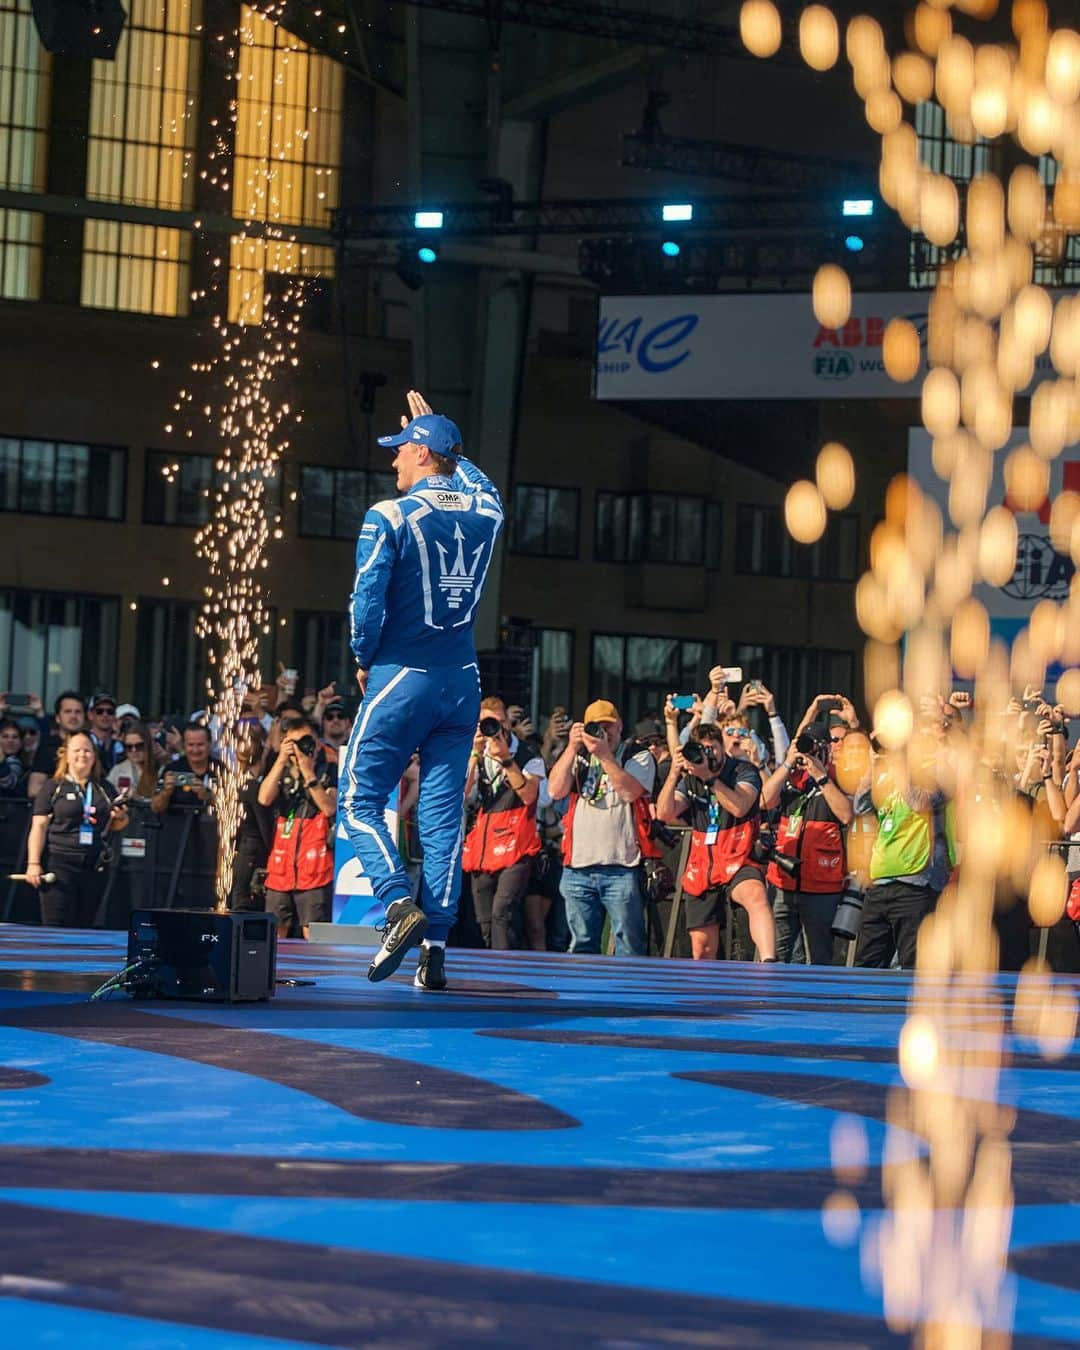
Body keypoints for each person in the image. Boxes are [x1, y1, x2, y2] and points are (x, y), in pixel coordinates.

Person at [337, 388, 503, 991]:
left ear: (424, 455)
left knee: (358, 796)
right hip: (463, 682)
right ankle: (435, 951)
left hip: (402, 672)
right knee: (440, 821)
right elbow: (482, 487)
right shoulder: (487, 513)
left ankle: (395, 904)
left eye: (402, 449)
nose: (394, 461)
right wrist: (449, 445)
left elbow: (365, 599)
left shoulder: (389, 515)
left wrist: (363, 657)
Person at [656, 705, 777, 962]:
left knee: (755, 895)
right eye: (701, 750)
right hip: (703, 864)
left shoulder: (743, 770)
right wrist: (674, 774)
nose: (707, 755)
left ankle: (770, 963)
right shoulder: (690, 776)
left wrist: (710, 778)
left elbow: (740, 805)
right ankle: (704, 993)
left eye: (711, 748)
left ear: (721, 747)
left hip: (739, 853)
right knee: (701, 948)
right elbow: (665, 814)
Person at [546, 698, 658, 957]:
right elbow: (554, 790)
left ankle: (626, 996)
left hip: (621, 866)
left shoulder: (637, 754)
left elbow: (630, 793)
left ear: (619, 726)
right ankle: (584, 995)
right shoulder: (580, 754)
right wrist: (572, 748)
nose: (603, 733)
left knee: (628, 945)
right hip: (578, 867)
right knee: (581, 944)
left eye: (609, 727)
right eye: (596, 727)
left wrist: (605, 755)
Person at [760, 720, 854, 964]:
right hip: (783, 881)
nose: (808, 753)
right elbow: (765, 801)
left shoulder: (841, 778)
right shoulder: (791, 778)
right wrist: (788, 762)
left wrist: (821, 777)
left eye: (813, 747)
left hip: (822, 885)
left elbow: (846, 814)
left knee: (820, 956)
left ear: (826, 749)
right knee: (778, 955)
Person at [462, 695, 546, 950]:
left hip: (518, 842)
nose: (492, 730)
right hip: (485, 845)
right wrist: (475, 755)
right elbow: (461, 796)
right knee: (485, 920)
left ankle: (504, 967)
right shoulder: (475, 753)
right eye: (484, 723)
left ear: (507, 722)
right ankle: (494, 967)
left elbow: (529, 795)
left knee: (503, 912)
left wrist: (507, 760)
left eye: (496, 722)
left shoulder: (528, 753)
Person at [23, 730, 129, 926]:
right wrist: (33, 863)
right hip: (59, 863)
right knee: (56, 925)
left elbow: (117, 825)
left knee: (85, 926)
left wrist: (120, 817)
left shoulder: (104, 788)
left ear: (94, 756)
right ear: (67, 755)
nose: (83, 755)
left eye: (88, 750)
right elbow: (38, 826)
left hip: (94, 864)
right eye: (77, 750)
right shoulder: (53, 787)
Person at [258, 717, 337, 937]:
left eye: (305, 740)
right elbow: (264, 798)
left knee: (313, 933)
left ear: (318, 743)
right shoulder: (280, 770)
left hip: (315, 866)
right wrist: (282, 760)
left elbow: (329, 808)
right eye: (292, 742)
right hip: (281, 866)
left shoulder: (328, 769)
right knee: (275, 933)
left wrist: (308, 772)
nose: (300, 747)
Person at [27, 690, 87, 797]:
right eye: (68, 711)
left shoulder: (92, 746)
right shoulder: (47, 747)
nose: (73, 716)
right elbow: (34, 789)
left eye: (78, 712)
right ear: (58, 718)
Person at [150, 723, 217, 814]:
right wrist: (166, 792)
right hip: (177, 824)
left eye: (200, 744)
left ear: (209, 744)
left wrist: (207, 795)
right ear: (184, 745)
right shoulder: (172, 769)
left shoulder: (221, 769)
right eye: (190, 745)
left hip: (210, 824)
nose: (195, 750)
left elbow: (232, 807)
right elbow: (155, 808)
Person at [107, 721, 158, 799]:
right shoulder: (117, 770)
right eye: (129, 746)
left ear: (147, 744)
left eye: (139, 746)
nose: (134, 750)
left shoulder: (160, 767)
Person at [87, 691, 123, 773]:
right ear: (90, 715)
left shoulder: (121, 746)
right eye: (99, 711)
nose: (105, 715)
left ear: (115, 715)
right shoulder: (83, 741)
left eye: (110, 712)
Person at [0, 719, 26, 797]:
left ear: (21, 743)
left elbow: (8, 781)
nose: (10, 740)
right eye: (5, 736)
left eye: (15, 737)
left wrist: (1, 762)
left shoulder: (15, 763)